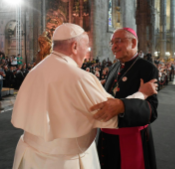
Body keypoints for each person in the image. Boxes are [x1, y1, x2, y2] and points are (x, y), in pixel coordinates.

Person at [11, 23, 158, 169]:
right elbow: (109, 112)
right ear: (75, 47)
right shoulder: (81, 76)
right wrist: (142, 94)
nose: (113, 46)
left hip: (31, 157)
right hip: (64, 161)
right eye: (86, 47)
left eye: (119, 41)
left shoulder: (36, 70)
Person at [90, 28, 159, 169]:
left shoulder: (147, 68)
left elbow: (152, 111)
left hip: (130, 139)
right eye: (112, 42)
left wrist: (123, 106)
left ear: (133, 43)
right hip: (106, 137)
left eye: (118, 41)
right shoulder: (114, 67)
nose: (114, 46)